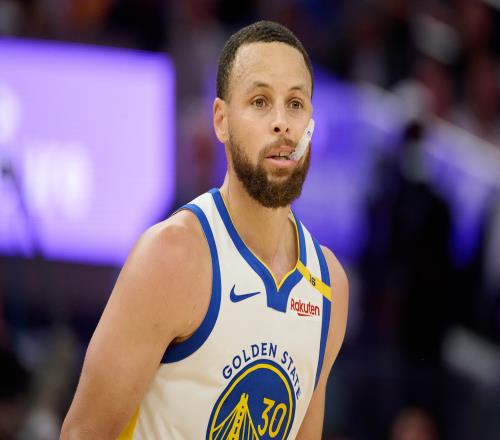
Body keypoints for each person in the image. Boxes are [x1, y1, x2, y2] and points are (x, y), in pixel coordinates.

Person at [61, 20, 348, 439]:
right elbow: (82, 434)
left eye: (295, 103)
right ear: (221, 120)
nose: (281, 122)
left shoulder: (328, 284)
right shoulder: (172, 255)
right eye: (260, 101)